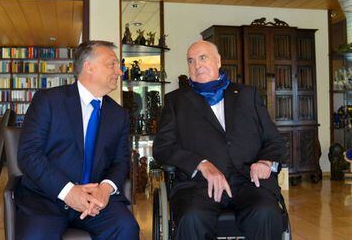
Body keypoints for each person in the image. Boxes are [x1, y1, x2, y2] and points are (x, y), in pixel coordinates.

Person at [153, 40, 287, 240]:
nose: (197, 65)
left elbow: (274, 141)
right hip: (199, 185)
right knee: (191, 218)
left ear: (218, 61)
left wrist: (265, 161)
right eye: (191, 61)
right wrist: (201, 164)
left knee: (265, 212)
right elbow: (162, 148)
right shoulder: (176, 101)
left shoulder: (247, 95)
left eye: (203, 58)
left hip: (248, 181)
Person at [15, 40, 139, 240]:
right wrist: (68, 192)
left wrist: (105, 189)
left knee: (126, 228)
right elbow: (28, 154)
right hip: (47, 196)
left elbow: (121, 161)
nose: (119, 71)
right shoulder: (48, 101)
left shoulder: (119, 115)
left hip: (96, 200)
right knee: (35, 236)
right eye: (112, 64)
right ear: (89, 67)